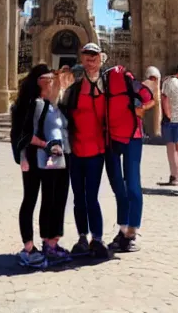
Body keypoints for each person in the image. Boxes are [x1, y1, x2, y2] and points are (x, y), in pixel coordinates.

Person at [64, 43, 109, 259]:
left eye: (94, 56)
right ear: (82, 59)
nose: (90, 60)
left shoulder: (108, 87)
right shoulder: (73, 90)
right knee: (78, 198)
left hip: (96, 151)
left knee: (92, 197)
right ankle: (82, 236)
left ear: (101, 59)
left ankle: (97, 238)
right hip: (76, 150)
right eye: (87, 56)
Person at [105, 66, 155, 253]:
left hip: (112, 139)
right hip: (132, 138)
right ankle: (129, 231)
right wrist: (141, 109)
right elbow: (150, 99)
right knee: (132, 184)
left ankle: (127, 230)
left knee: (121, 186)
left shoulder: (104, 86)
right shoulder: (135, 85)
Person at [25, 72, 72, 265]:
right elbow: (29, 133)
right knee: (50, 198)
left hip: (64, 158)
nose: (57, 84)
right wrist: (46, 145)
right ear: (44, 85)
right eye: (53, 82)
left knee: (60, 198)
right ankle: (47, 241)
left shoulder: (57, 107)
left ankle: (55, 241)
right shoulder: (38, 105)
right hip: (48, 159)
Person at [10, 63, 50, 268]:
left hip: (46, 160)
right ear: (39, 80)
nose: (51, 81)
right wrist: (24, 156)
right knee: (30, 200)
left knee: (46, 200)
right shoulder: (28, 103)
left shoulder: (46, 101)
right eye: (48, 78)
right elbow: (22, 134)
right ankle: (28, 246)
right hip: (33, 158)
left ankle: (45, 243)